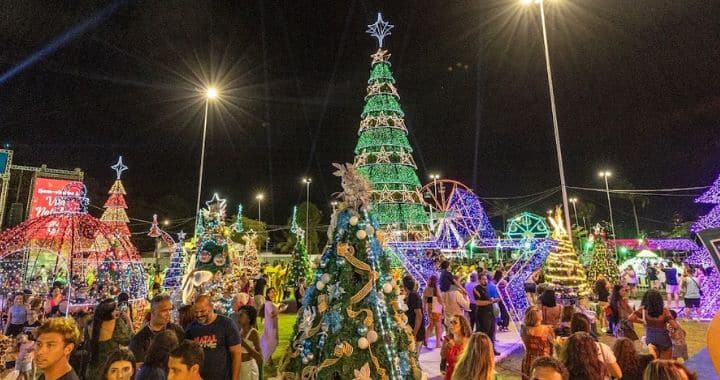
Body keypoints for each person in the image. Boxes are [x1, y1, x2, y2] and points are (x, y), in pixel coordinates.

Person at [185, 294, 242, 380]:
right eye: (196, 312)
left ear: (211, 307)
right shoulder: (191, 328)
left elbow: (236, 354)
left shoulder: (226, 324)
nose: (199, 315)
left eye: (202, 311)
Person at [130, 294, 185, 366]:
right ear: (153, 312)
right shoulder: (139, 339)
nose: (168, 314)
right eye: (164, 310)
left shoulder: (177, 331)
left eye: (170, 310)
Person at [86, 299, 132, 380]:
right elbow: (127, 340)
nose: (118, 311)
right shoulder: (117, 323)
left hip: (92, 370)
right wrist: (128, 320)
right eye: (116, 309)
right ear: (110, 313)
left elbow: (87, 345)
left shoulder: (90, 323)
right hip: (109, 370)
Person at [628, 289, 681, 359]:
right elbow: (675, 326)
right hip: (663, 339)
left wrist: (643, 321)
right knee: (664, 364)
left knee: (654, 363)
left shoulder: (643, 310)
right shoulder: (664, 311)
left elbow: (630, 318)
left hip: (650, 339)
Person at [521, 306, 554, 378]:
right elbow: (552, 346)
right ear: (540, 317)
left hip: (528, 360)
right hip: (544, 361)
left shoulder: (524, 329)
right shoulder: (547, 329)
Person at [473, 274, 499, 355]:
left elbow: (487, 299)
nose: (485, 281)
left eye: (486, 279)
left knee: (492, 332)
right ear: (479, 280)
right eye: (483, 279)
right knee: (484, 333)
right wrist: (491, 301)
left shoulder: (486, 288)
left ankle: (491, 349)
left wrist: (494, 300)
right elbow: (478, 302)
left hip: (490, 313)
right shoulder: (476, 289)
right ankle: (482, 351)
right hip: (483, 315)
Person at [260, 287, 287, 364]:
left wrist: (278, 307)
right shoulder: (268, 303)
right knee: (273, 342)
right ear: (268, 294)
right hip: (270, 325)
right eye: (272, 292)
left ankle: (268, 359)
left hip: (272, 324)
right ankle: (266, 358)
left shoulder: (270, 303)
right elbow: (272, 314)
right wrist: (281, 310)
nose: (274, 293)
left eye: (274, 292)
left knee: (268, 341)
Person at [236, 305, 262, 380]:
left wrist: (244, 344)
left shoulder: (253, 333)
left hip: (249, 368)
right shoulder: (240, 331)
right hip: (240, 367)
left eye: (241, 315)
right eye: (238, 315)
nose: (238, 318)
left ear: (249, 318)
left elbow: (259, 357)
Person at [442, 315, 472, 380]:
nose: (452, 325)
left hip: (462, 374)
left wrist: (454, 347)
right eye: (451, 322)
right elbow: (443, 356)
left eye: (455, 322)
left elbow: (465, 361)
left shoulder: (468, 341)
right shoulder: (448, 339)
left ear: (462, 325)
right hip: (450, 373)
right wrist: (445, 348)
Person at [403, 275, 425, 359]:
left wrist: (414, 333)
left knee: (414, 357)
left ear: (404, 286)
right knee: (413, 356)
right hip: (414, 329)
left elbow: (419, 315)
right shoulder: (411, 294)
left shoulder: (413, 295)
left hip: (416, 330)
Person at [423, 275, 444, 348]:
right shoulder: (436, 288)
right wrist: (443, 307)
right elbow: (440, 298)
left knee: (431, 325)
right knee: (438, 326)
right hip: (437, 306)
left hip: (430, 307)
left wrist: (424, 308)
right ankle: (438, 343)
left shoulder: (426, 289)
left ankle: (425, 339)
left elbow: (424, 299)